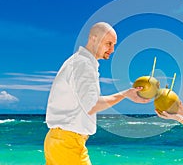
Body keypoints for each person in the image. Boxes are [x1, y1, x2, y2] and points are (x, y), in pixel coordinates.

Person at [44, 22, 150, 165]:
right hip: (67, 144)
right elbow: (92, 104)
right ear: (94, 38)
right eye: (108, 43)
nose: (112, 49)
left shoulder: (78, 62)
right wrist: (125, 94)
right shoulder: (83, 64)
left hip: (59, 141)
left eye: (114, 44)